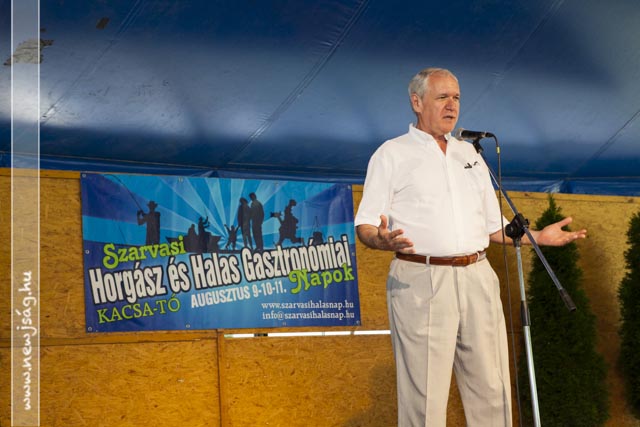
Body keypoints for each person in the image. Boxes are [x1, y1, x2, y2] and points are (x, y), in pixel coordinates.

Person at [354, 67, 587, 427]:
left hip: (478, 276)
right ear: (416, 102)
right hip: (422, 278)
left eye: (457, 97)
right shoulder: (392, 154)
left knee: (492, 388)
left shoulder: (471, 154)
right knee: (425, 396)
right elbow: (366, 224)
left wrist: (539, 236)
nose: (452, 105)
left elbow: (493, 227)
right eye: (442, 97)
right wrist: (379, 240)